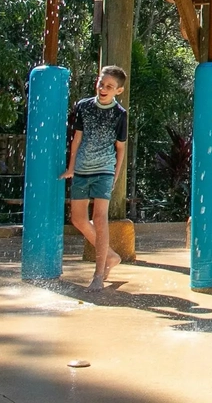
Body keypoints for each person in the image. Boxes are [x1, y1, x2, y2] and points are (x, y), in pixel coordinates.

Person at [59, 65, 128, 291]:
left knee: (100, 219)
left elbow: (120, 149)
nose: (103, 88)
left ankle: (98, 274)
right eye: (101, 83)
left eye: (109, 86)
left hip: (104, 171)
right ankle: (109, 256)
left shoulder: (120, 114)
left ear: (118, 90)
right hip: (81, 169)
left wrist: (115, 176)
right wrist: (71, 167)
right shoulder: (83, 106)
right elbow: (76, 140)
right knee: (78, 219)